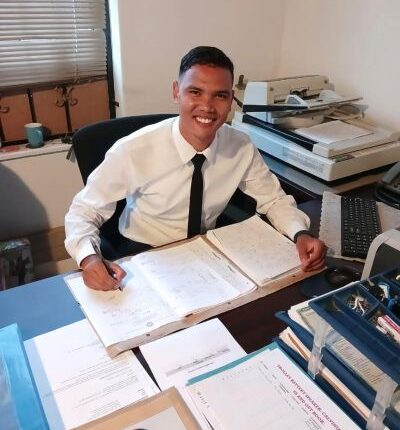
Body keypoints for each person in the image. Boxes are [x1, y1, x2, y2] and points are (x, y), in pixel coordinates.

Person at [65, 46, 326, 291]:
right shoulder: (133, 150)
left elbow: (273, 199)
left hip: (206, 249)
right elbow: (84, 210)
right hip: (143, 253)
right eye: (195, 92)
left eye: (220, 95)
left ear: (231, 100)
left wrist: (300, 234)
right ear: (176, 92)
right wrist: (88, 259)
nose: (207, 107)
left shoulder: (240, 146)